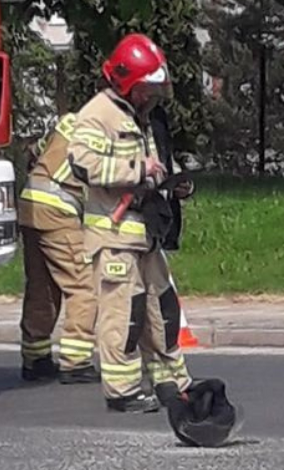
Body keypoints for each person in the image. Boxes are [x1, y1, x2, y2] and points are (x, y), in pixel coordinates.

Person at [74, 33, 197, 413]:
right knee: (124, 315)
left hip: (145, 234)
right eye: (146, 89)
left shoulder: (137, 116)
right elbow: (83, 164)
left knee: (163, 309)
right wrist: (136, 170)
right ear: (126, 81)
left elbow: (153, 168)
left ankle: (171, 382)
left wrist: (173, 185)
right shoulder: (98, 114)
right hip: (114, 236)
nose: (152, 97)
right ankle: (122, 390)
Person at [16, 112, 99, 383]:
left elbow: (37, 151)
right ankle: (76, 362)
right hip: (58, 209)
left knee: (42, 287)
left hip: (29, 205)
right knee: (83, 285)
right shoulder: (103, 126)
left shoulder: (72, 120)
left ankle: (35, 357)